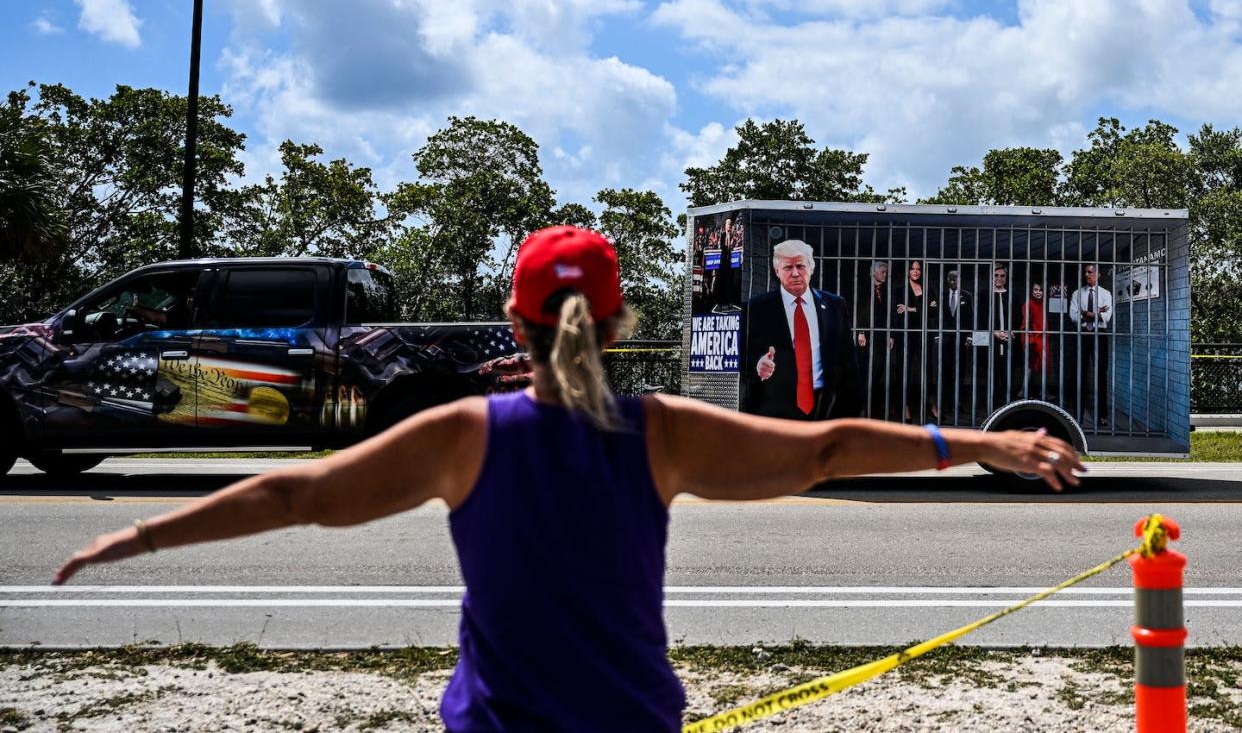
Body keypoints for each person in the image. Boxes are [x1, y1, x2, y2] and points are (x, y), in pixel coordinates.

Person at [53, 225, 1084, 733]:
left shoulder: (466, 434)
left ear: (514, 325)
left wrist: (139, 538)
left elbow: (296, 495)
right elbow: (828, 449)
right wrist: (982, 443)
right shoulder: (659, 433)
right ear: (622, 325)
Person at [742, 239, 861, 420]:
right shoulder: (755, 308)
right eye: (788, 268)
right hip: (774, 411)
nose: (796, 273)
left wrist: (852, 413)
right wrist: (757, 365)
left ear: (811, 268)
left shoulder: (835, 305)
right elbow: (741, 354)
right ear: (777, 271)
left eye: (801, 266)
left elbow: (848, 360)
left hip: (826, 407)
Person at [1069, 263, 1113, 427]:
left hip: (1100, 335)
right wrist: (1096, 314)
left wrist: (1087, 314)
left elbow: (1107, 316)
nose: (1088, 275)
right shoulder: (1077, 293)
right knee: (1079, 372)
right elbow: (1072, 316)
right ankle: (1077, 413)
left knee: (1101, 373)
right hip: (1082, 335)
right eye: (1086, 272)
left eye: (1091, 272)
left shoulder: (1106, 294)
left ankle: (1103, 414)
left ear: (1098, 275)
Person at [894, 260, 937, 423]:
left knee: (928, 370)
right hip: (906, 335)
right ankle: (904, 407)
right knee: (904, 371)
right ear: (907, 271)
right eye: (912, 269)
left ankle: (932, 405)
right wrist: (923, 308)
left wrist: (911, 308)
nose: (916, 271)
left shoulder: (929, 289)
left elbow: (934, 311)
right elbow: (899, 310)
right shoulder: (900, 290)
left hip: (924, 334)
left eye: (918, 269)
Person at [855, 259, 896, 420]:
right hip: (866, 336)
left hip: (881, 336)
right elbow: (857, 310)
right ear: (874, 272)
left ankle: (871, 407)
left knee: (878, 371)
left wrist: (891, 334)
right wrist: (860, 331)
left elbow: (890, 313)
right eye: (883, 272)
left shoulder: (885, 291)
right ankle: (863, 409)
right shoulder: (862, 288)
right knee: (866, 372)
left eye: (886, 272)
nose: (885, 275)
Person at [935, 269, 974, 424]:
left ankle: (957, 402)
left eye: (955, 279)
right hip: (945, 340)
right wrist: (936, 335)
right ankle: (944, 404)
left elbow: (971, 317)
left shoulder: (967, 296)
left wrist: (970, 336)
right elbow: (937, 316)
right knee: (944, 372)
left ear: (960, 280)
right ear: (947, 281)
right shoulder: (942, 295)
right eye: (950, 279)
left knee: (959, 372)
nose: (953, 282)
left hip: (961, 340)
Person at [987, 264, 1015, 411]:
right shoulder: (985, 295)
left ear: (1006, 278)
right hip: (992, 345)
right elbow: (981, 319)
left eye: (1002, 276)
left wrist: (1011, 332)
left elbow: (1018, 319)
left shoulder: (1012, 296)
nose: (999, 278)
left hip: (1009, 344)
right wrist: (994, 333)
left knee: (1007, 378)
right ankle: (992, 410)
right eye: (996, 275)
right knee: (992, 377)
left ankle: (1006, 409)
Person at [1018, 282, 1049, 399]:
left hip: (1040, 340)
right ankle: (1024, 391)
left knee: (1038, 366)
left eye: (1040, 290)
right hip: (1033, 340)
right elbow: (1026, 324)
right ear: (1031, 292)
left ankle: (1032, 391)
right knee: (1031, 366)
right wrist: (1031, 340)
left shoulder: (1042, 304)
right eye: (1035, 290)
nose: (1038, 292)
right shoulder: (1029, 304)